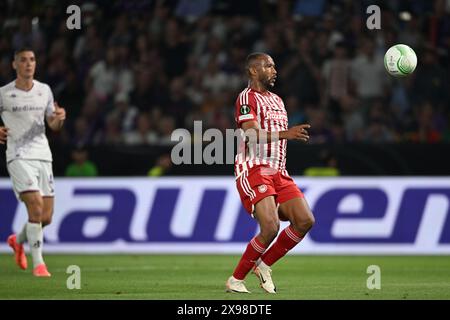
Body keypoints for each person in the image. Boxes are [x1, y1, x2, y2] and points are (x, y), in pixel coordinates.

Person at [226, 53, 315, 293]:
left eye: (274, 66)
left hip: (279, 171)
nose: (274, 70)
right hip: (254, 167)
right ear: (253, 71)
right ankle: (236, 279)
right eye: (268, 66)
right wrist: (287, 134)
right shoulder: (246, 98)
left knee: (305, 220)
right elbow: (252, 135)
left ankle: (264, 265)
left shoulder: (277, 100)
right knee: (270, 227)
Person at [0, 48, 66, 277]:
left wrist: (59, 119)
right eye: (23, 60)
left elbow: (53, 125)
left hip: (43, 156)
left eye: (32, 60)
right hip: (18, 156)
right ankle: (39, 264)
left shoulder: (44, 90)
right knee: (35, 206)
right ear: (14, 65)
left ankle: (17, 241)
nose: (28, 64)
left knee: (45, 217)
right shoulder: (4, 93)